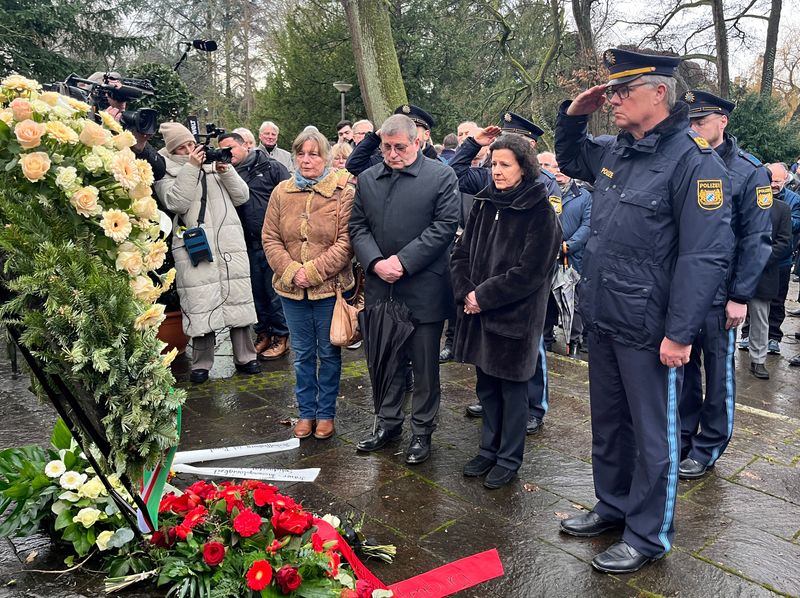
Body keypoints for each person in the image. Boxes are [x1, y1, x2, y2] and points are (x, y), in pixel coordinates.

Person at [554, 48, 733, 574]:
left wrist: (679, 334)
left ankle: (648, 534)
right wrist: (576, 114)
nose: (612, 101)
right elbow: (569, 158)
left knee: (654, 435)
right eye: (610, 92)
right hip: (607, 314)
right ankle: (613, 505)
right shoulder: (617, 151)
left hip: (651, 327)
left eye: (621, 92)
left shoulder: (694, 161)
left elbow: (705, 256)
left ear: (659, 93)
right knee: (609, 424)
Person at [451, 134, 561, 488]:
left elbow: (531, 272)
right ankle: (488, 448)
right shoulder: (483, 203)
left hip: (514, 318)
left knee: (513, 393)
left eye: (504, 165)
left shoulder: (540, 211)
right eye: (493, 164)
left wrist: (483, 295)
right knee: (486, 387)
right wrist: (466, 291)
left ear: (523, 168)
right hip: (478, 314)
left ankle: (509, 457)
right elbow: (461, 253)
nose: (496, 171)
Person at [349, 114, 460, 465]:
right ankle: (388, 422)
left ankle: (422, 431)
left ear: (418, 143)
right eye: (387, 147)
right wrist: (376, 261)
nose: (393, 154)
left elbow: (445, 225)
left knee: (424, 368)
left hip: (423, 288)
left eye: (400, 147)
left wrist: (404, 261)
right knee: (384, 361)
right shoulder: (368, 179)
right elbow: (357, 225)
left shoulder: (440, 175)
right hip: (382, 287)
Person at [677, 90, 773, 480]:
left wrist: (739, 296)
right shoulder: (684, 161)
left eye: (701, 122)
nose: (695, 129)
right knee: (681, 369)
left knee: (718, 374)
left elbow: (757, 239)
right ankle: (682, 436)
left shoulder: (751, 172)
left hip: (722, 296)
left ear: (723, 121)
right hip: (685, 289)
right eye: (690, 123)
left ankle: (709, 444)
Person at [262, 129, 355, 440]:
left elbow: (345, 243)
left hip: (329, 289)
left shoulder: (343, 193)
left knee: (328, 353)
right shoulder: (281, 192)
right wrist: (290, 270)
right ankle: (306, 411)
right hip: (290, 291)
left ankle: (326, 413)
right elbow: (270, 238)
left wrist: (313, 272)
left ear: (326, 158)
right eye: (301, 153)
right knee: (301, 354)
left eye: (314, 154)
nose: (307, 160)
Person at [155, 122, 261, 384]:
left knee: (238, 299)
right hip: (195, 247)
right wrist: (191, 167)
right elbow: (176, 202)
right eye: (183, 147)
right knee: (200, 302)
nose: (190, 149)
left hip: (228, 241)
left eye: (192, 144)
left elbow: (242, 196)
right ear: (172, 149)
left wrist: (225, 170)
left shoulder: (213, 164)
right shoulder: (165, 171)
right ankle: (202, 363)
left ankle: (246, 357)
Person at [218, 132, 292, 360]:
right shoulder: (226, 173)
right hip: (244, 242)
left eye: (231, 149)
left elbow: (289, 200)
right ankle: (263, 334)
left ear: (245, 146)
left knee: (274, 293)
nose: (227, 154)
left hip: (272, 241)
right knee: (255, 292)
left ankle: (282, 337)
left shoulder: (272, 167)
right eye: (223, 150)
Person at [739, 163, 800, 354]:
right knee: (749, 298)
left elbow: (793, 227)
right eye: (770, 180)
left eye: (777, 181)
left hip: (779, 262)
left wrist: (778, 217)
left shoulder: (792, 201)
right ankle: (747, 335)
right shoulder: (751, 200)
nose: (773, 184)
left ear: (785, 180)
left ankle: (773, 337)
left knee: (776, 301)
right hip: (753, 261)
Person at [537, 151, 592, 356]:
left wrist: (568, 246)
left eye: (561, 167)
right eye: (552, 166)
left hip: (572, 258)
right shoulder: (542, 190)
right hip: (545, 255)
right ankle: (546, 339)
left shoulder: (583, 195)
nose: (557, 171)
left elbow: (587, 225)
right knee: (547, 301)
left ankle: (574, 342)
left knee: (572, 303)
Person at [746, 192, 792, 380]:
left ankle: (758, 360)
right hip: (734, 271)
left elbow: (784, 242)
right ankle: (721, 358)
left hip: (763, 273)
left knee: (760, 318)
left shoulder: (782, 208)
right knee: (724, 319)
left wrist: (759, 260)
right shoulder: (742, 202)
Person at [345, 105, 440, 176]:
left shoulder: (438, 168)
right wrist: (375, 137)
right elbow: (354, 165)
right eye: (400, 128)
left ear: (426, 135)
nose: (406, 133)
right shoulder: (386, 161)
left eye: (412, 128)